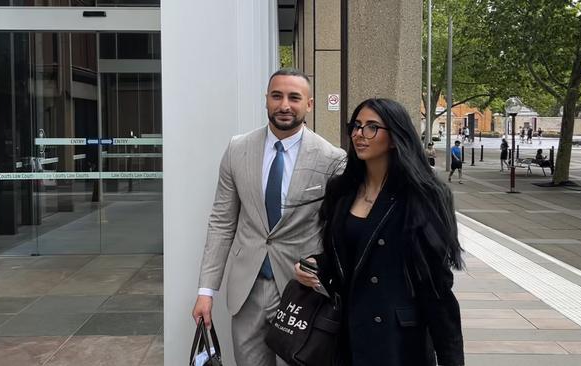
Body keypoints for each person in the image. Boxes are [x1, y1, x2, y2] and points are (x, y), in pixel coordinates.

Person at [192, 68, 345, 366]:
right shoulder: (238, 149)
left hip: (302, 292)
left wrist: (327, 277)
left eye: (294, 97)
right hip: (247, 292)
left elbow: (338, 231)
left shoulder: (331, 159)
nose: (284, 105)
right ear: (266, 100)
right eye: (277, 96)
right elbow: (222, 222)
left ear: (309, 104)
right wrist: (206, 290)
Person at [295, 98, 464, 366]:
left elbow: (437, 287)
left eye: (372, 127)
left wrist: (451, 359)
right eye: (357, 126)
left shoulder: (423, 196)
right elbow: (349, 256)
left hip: (397, 340)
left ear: (396, 138)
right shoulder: (341, 190)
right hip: (346, 333)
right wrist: (318, 264)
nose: (360, 134)